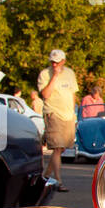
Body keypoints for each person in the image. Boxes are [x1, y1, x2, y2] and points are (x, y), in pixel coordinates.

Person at [38, 48, 77, 192]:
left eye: (57, 62)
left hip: (68, 115)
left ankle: (45, 176)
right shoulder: (44, 74)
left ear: (63, 61)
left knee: (61, 148)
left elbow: (72, 94)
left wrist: (74, 113)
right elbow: (45, 94)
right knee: (56, 147)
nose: (55, 65)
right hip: (53, 113)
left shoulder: (70, 74)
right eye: (52, 62)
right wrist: (54, 77)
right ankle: (58, 182)